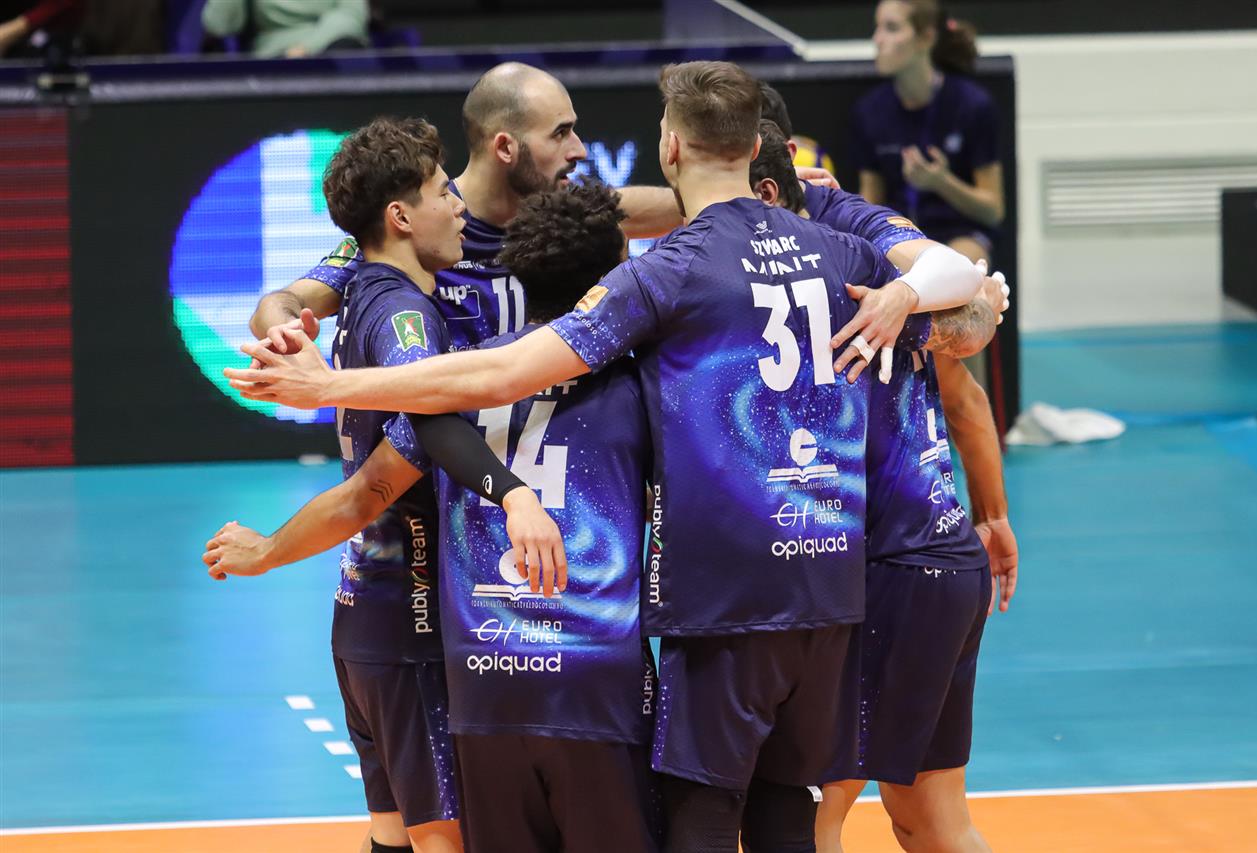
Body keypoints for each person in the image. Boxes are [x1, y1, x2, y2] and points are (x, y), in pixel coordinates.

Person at [225, 60, 983, 851]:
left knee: (682, 811)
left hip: (588, 615)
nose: (580, 148)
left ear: (671, 144)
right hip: (819, 584)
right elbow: (969, 306)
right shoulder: (828, 256)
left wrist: (328, 390)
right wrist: (902, 286)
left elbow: (488, 384)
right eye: (562, 132)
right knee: (790, 809)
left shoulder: (659, 278)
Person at [203, 116, 564, 853]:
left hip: (366, 615)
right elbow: (383, 474)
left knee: (395, 832)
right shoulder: (404, 316)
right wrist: (267, 551)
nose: (459, 207)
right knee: (442, 838)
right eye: (442, 193)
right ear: (400, 216)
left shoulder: (362, 285)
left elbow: (286, 303)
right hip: (411, 621)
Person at [746, 119, 1017, 853]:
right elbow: (967, 382)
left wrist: (961, 305)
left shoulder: (843, 265)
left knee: (816, 815)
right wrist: (992, 517)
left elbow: (975, 322)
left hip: (895, 566)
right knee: (929, 818)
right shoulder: (874, 249)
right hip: (943, 559)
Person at [443, 180, 658, 852]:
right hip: (595, 686)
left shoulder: (460, 381)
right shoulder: (636, 384)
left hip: (483, 683)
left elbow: (374, 488)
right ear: (613, 277)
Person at [249, 62, 681, 357]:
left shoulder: (568, 218)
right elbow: (283, 302)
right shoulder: (418, 228)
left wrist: (706, 195)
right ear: (505, 147)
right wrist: (286, 331)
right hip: (448, 454)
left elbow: (648, 207)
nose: (579, 149)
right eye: (560, 133)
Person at [850, 0, 1004, 268]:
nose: (878, 39)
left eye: (891, 28)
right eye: (877, 28)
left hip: (960, 233)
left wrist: (941, 182)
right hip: (898, 235)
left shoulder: (972, 106)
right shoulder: (869, 111)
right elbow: (869, 202)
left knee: (954, 268)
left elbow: (993, 210)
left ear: (926, 38)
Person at [201, 0, 369, 58]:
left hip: (333, 49)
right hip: (273, 59)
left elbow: (351, 15)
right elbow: (218, 26)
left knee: (348, 52)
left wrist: (305, 49)